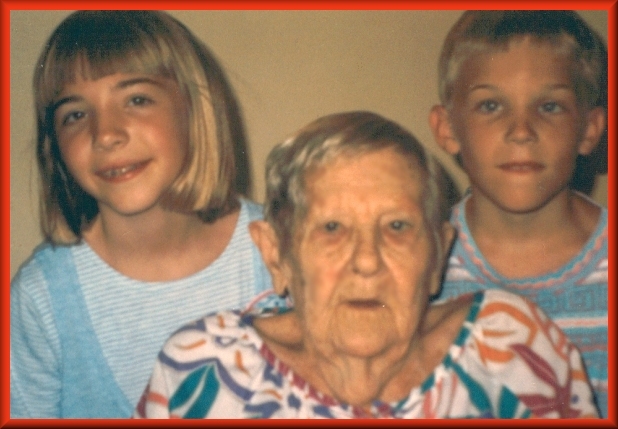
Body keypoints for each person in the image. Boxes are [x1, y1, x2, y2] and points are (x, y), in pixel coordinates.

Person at [134, 111, 597, 419]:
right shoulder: (200, 371)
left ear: (438, 254)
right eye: (332, 228)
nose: (367, 261)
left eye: (397, 226)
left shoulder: (513, 346)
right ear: (277, 254)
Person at [10, 11, 284, 418]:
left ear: (195, 109)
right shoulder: (41, 300)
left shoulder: (283, 250)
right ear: (55, 146)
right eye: (75, 114)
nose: (105, 133)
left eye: (137, 100)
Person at [428, 11, 608, 417]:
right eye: (491, 105)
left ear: (590, 129)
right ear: (447, 128)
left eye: (550, 106)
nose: (521, 130)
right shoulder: (418, 264)